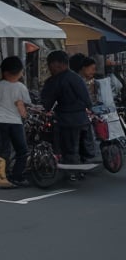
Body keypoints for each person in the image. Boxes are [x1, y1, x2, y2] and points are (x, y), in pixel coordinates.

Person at [40, 49, 94, 178]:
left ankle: (72, 174)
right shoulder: (77, 78)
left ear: (56, 64)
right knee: (81, 147)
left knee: (69, 148)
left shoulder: (56, 80)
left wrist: (45, 109)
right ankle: (81, 171)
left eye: (49, 65)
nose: (49, 69)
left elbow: (47, 102)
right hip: (83, 119)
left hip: (67, 120)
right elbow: (88, 100)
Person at [0, 56, 31, 186]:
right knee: (21, 151)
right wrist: (25, 115)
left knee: (1, 151)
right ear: (20, 72)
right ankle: (17, 176)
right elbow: (23, 105)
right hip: (14, 123)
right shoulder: (21, 87)